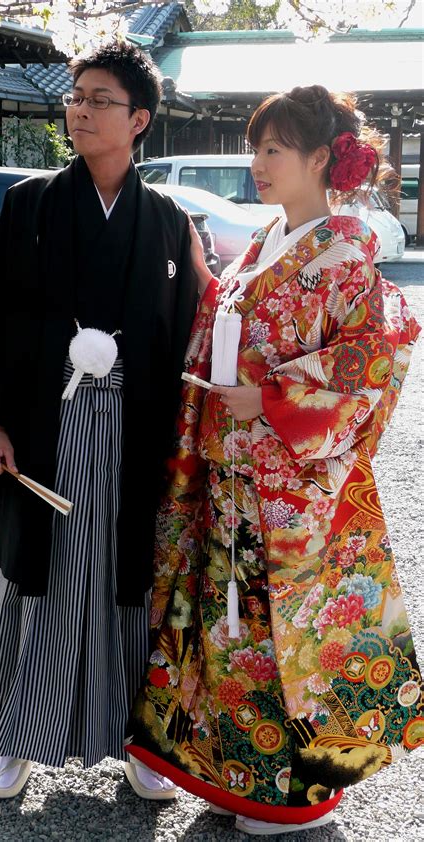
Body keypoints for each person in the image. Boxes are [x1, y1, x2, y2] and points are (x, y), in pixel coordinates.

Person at [126, 85, 423, 835]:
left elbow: (374, 357)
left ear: (321, 158)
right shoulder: (268, 241)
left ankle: (297, 797)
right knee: (234, 629)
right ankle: (241, 778)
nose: (256, 163)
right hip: (235, 474)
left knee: (285, 634)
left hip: (294, 486)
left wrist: (274, 397)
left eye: (273, 149)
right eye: (255, 148)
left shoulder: (346, 251)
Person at [0, 41, 198, 799]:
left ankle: (136, 740)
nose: (80, 111)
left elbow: (188, 329)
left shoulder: (166, 220)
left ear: (139, 120)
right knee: (38, 576)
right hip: (42, 423)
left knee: (129, 581)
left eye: (99, 100)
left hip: (133, 427)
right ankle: (16, 737)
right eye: (75, 97)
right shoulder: (29, 205)